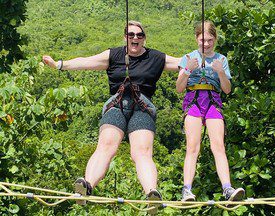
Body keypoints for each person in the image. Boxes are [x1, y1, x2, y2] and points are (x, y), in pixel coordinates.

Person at [43, 20, 180, 211]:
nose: (135, 38)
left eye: (139, 35)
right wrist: (59, 64)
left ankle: (151, 194)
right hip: (117, 104)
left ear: (144, 38)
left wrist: (209, 59)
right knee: (106, 146)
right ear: (125, 37)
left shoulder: (155, 57)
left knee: (141, 152)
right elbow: (86, 61)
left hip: (143, 107)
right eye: (131, 34)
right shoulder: (114, 54)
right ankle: (86, 186)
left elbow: (184, 63)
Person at [176, 21, 245, 202]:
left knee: (218, 146)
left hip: (213, 101)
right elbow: (179, 88)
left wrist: (221, 72)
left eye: (209, 40)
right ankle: (187, 189)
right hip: (193, 100)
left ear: (215, 39)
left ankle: (227, 189)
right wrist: (187, 70)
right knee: (193, 146)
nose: (205, 44)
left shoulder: (221, 59)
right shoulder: (188, 57)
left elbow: (227, 89)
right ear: (196, 39)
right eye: (202, 40)